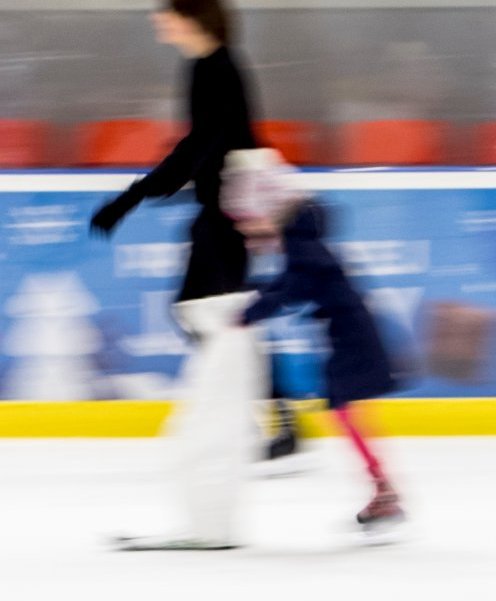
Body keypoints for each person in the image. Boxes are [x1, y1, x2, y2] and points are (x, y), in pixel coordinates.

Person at [88, 0, 303, 463]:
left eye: (168, 13)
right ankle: (272, 415)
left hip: (227, 215)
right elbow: (202, 145)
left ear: (193, 19)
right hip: (220, 210)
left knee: (210, 314)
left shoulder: (219, 67)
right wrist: (142, 193)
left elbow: (208, 143)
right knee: (214, 315)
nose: (158, 19)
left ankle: (270, 416)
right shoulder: (206, 66)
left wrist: (135, 195)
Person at [224, 149, 406, 535]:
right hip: (349, 335)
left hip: (353, 338)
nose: (249, 235)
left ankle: (384, 492)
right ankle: (383, 490)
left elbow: (295, 285)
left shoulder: (301, 243)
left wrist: (248, 313)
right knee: (342, 410)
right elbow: (292, 281)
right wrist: (255, 297)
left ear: (269, 209)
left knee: (342, 409)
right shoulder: (302, 238)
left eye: (250, 222)